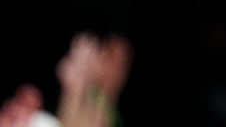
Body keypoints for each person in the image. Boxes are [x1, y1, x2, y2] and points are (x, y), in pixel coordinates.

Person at [0, 32, 132, 127]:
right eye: (111, 56)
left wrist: (75, 86)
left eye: (123, 64)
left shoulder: (102, 106)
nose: (120, 69)